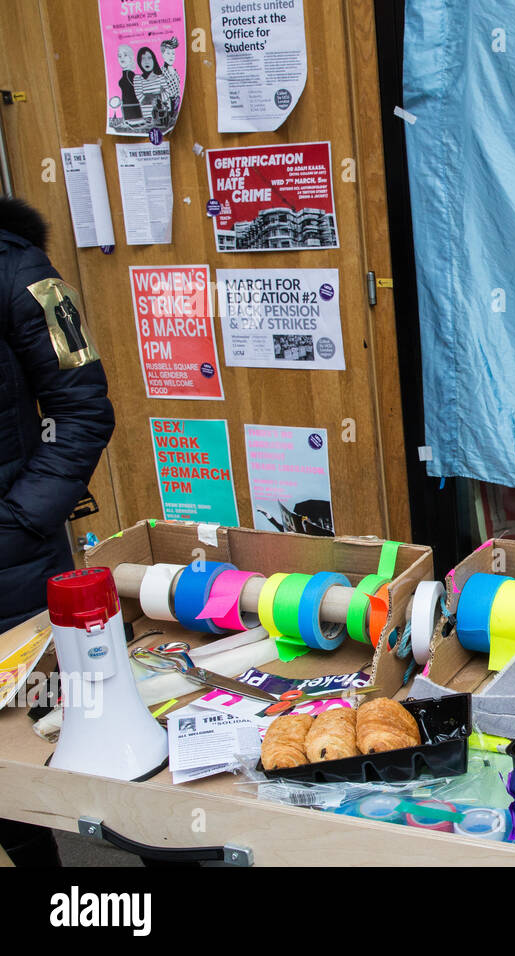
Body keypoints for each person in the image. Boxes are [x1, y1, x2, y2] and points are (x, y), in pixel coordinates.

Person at [1, 197, 115, 866]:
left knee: (54, 723)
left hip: (12, 563)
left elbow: (82, 409)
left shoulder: (18, 271)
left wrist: (19, 520)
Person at [116, 44, 142, 121]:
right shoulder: (126, 74)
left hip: (133, 108)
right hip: (126, 108)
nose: (122, 58)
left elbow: (139, 92)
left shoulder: (130, 75)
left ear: (131, 58)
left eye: (125, 55)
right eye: (119, 56)